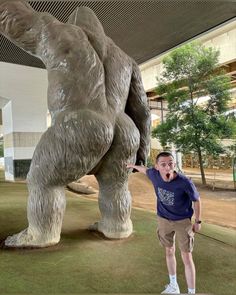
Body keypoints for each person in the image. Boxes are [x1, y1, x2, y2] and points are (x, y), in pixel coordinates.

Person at [0, 0, 150, 247]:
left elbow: (14, 17)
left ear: (72, 24)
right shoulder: (126, 60)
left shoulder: (60, 33)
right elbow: (142, 111)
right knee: (116, 185)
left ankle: (42, 233)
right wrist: (142, 151)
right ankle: (118, 225)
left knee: (42, 179)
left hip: (80, 122)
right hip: (126, 132)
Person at [127, 151, 201, 294]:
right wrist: (131, 165)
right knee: (169, 250)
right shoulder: (153, 175)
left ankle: (191, 292)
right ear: (157, 167)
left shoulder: (185, 182)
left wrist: (197, 221)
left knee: (186, 256)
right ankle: (174, 286)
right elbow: (144, 170)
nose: (168, 167)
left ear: (174, 164)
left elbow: (197, 200)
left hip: (182, 221)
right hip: (163, 219)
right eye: (163, 164)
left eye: (170, 164)